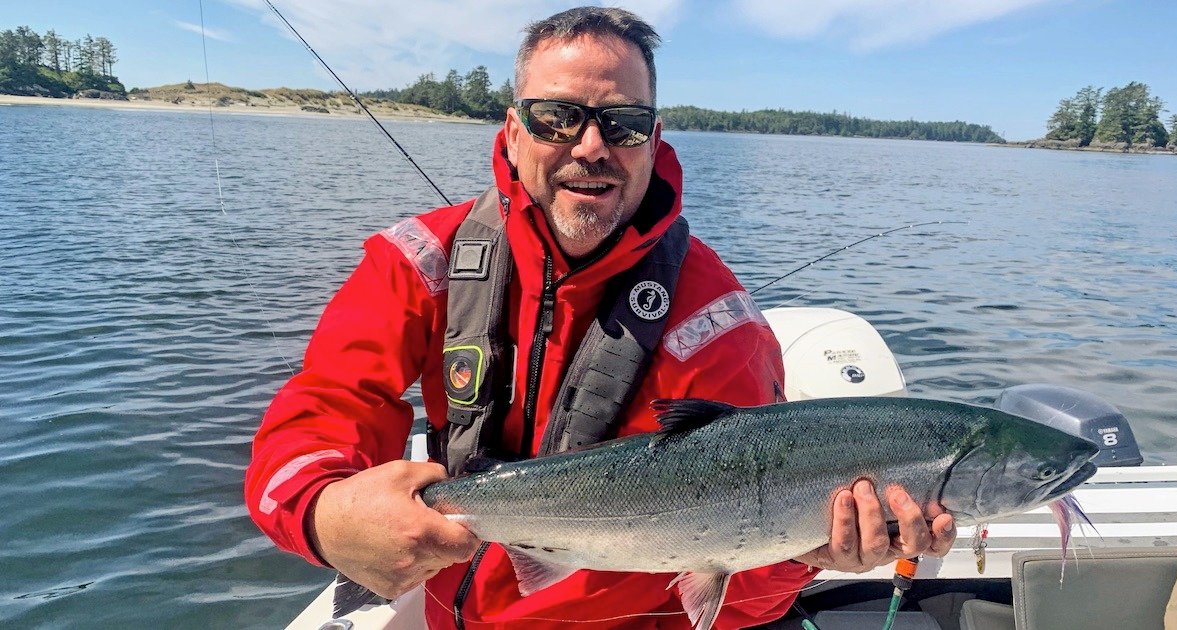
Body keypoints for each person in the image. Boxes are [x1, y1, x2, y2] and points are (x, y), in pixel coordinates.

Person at [245, 6, 956, 628]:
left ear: (653, 137)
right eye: (558, 117)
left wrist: (802, 554)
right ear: (515, 129)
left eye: (624, 124)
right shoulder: (421, 260)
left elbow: (730, 600)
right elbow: (327, 403)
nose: (592, 146)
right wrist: (319, 513)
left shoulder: (719, 324)